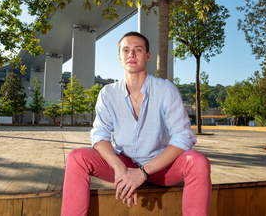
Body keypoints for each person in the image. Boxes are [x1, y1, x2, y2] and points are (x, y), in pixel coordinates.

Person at [61, 31, 212, 215]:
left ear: (147, 56)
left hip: (160, 166)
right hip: (123, 162)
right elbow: (99, 134)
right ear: (119, 57)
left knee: (198, 161)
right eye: (126, 50)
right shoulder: (108, 93)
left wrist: (142, 172)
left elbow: (183, 137)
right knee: (76, 158)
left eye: (137, 50)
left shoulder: (166, 89)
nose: (131, 54)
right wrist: (118, 167)